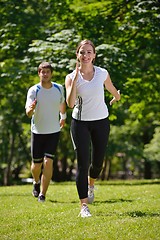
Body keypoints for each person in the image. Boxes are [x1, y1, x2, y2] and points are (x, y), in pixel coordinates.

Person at [65, 40, 120, 217]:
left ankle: (91, 185)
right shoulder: (70, 77)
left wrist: (116, 97)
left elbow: (111, 88)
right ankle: (83, 206)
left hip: (101, 121)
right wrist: (74, 80)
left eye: (89, 52)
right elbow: (70, 103)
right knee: (82, 163)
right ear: (77, 55)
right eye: (82, 52)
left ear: (94, 55)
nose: (86, 55)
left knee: (98, 162)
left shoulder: (102, 73)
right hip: (80, 123)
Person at [25, 62, 66, 202]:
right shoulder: (34, 90)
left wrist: (63, 117)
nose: (45, 74)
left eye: (48, 71)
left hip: (54, 131)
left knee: (48, 162)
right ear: (39, 73)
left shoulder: (59, 88)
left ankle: (42, 194)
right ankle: (36, 182)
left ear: (51, 73)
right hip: (37, 132)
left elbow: (62, 103)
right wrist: (31, 109)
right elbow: (28, 113)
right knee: (36, 165)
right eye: (43, 72)